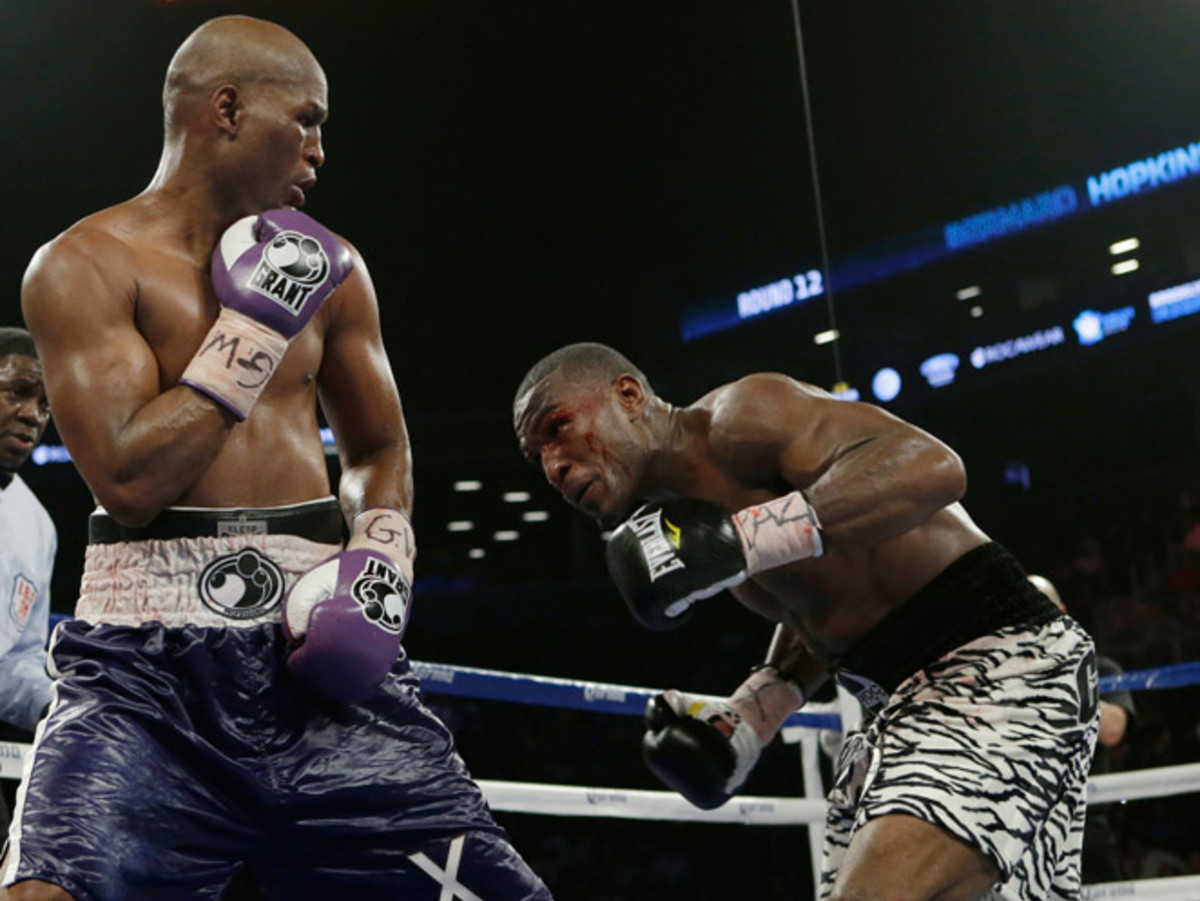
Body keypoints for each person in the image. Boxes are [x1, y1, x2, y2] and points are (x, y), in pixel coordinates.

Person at [4, 16, 551, 901]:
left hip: (316, 668)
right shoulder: (83, 265)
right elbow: (130, 480)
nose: (320, 149)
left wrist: (380, 552)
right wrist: (254, 329)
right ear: (226, 109)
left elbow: (377, 446)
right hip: (146, 683)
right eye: (306, 119)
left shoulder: (336, 269)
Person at [513, 342, 1100, 901]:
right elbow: (824, 610)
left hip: (998, 665)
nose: (553, 465)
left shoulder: (740, 418)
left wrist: (746, 538)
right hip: (896, 706)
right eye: (536, 454)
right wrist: (753, 713)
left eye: (557, 427)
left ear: (629, 394)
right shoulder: (677, 522)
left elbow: (935, 469)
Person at [1029, 574, 1136, 885]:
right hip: (1019, 823)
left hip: (1086, 824)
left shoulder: (1098, 667)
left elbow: (1114, 730)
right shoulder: (996, 673)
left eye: (1042, 608)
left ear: (1061, 612)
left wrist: (1058, 684)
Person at [0, 328, 55, 835]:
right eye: (18, 392)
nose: (34, 415)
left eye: (45, 403)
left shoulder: (37, 525)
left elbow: (15, 661)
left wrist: (65, 703)